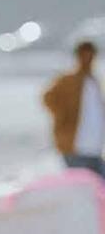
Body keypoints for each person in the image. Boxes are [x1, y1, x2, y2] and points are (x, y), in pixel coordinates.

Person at [43, 40, 105, 177]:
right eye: (84, 55)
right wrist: (63, 116)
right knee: (83, 187)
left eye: (91, 55)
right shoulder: (68, 80)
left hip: (94, 147)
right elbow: (48, 97)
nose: (88, 59)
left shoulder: (93, 81)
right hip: (75, 147)